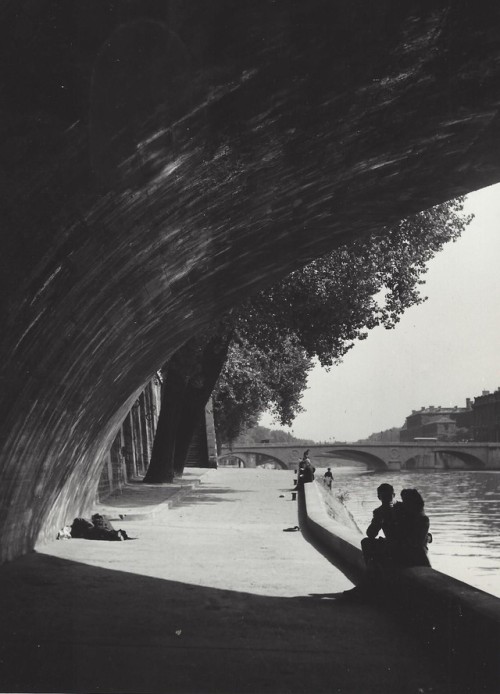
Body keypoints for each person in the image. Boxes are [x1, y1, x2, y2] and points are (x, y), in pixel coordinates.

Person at [360, 483, 399, 570]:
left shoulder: (401, 507)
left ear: (394, 495)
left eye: (389, 496)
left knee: (366, 543)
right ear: (379, 497)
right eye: (384, 497)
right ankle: (371, 572)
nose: (387, 499)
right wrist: (379, 520)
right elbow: (371, 534)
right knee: (366, 542)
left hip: (402, 545)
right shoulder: (379, 512)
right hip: (391, 545)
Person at [392, 488, 431, 568]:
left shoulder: (421, 518)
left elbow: (415, 542)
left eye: (405, 501)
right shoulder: (408, 515)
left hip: (414, 554)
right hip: (412, 553)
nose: (403, 503)